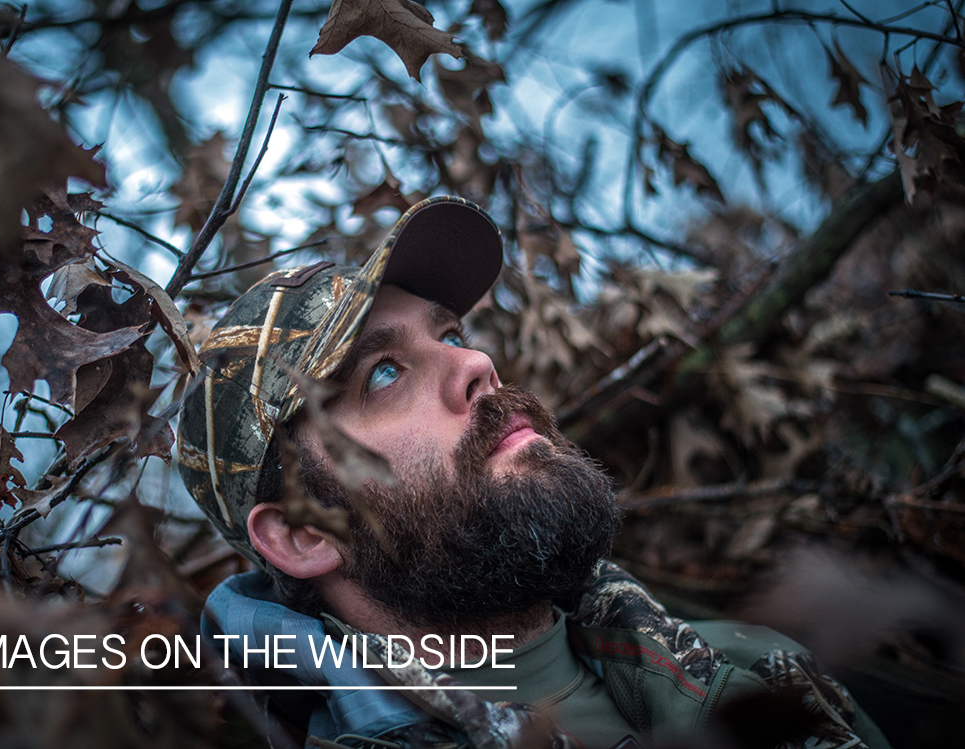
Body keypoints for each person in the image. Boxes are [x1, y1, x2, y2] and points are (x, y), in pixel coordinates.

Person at [177, 197, 889, 749]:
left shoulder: (761, 667)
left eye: (450, 332)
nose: (475, 364)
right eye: (384, 372)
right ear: (302, 534)